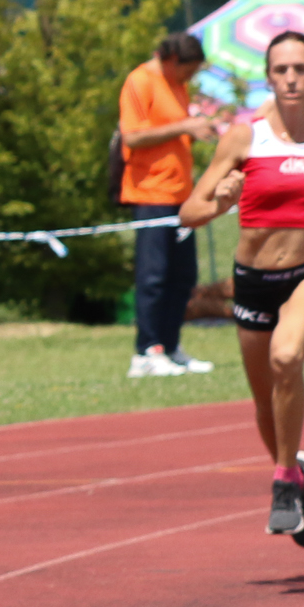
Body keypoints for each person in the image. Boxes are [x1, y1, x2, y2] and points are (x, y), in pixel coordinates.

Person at [181, 31, 304, 550]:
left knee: (287, 356)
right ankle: (295, 475)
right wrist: (221, 202)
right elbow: (188, 212)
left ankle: (284, 482)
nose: (291, 78)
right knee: (265, 404)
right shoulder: (243, 139)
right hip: (253, 282)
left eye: (300, 69)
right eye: (281, 70)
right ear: (268, 77)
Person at [116, 33, 224, 378]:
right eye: (189, 71)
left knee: (183, 276)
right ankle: (147, 351)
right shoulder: (140, 81)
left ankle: (171, 346)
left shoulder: (177, 84)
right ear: (173, 60)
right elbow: (132, 136)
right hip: (151, 194)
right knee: (154, 276)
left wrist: (197, 129)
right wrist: (184, 126)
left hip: (181, 196)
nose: (190, 78)